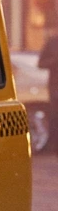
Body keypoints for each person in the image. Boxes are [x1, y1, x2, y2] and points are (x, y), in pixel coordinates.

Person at [38, 22, 58, 153]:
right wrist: (55, 60)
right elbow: (41, 63)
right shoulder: (52, 43)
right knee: (55, 116)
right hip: (56, 87)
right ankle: (54, 146)